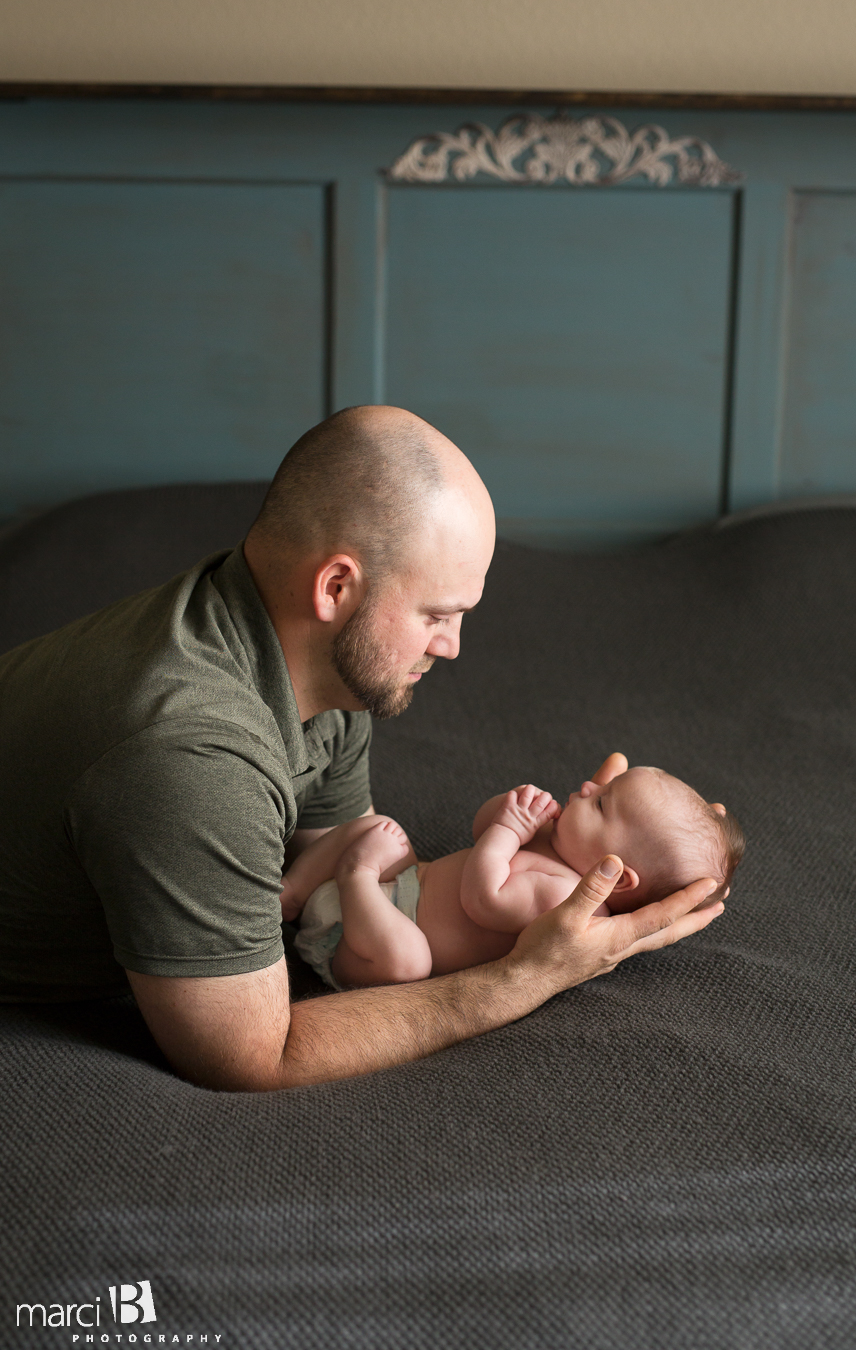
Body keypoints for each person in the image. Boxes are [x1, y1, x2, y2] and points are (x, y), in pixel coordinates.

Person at [0, 406, 725, 1092]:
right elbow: (251, 1056)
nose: (452, 646)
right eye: (437, 615)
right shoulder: (193, 759)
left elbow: (346, 864)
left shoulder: (316, 665)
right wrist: (533, 973)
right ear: (336, 585)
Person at [285, 754, 744, 990]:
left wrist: (510, 829)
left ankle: (354, 874)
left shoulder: (565, 897)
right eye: (603, 784)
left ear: (618, 877)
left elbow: (483, 897)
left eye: (602, 802)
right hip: (402, 886)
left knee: (410, 962)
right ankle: (294, 889)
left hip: (364, 942)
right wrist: (506, 812)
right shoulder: (559, 839)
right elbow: (480, 830)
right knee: (380, 828)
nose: (588, 785)